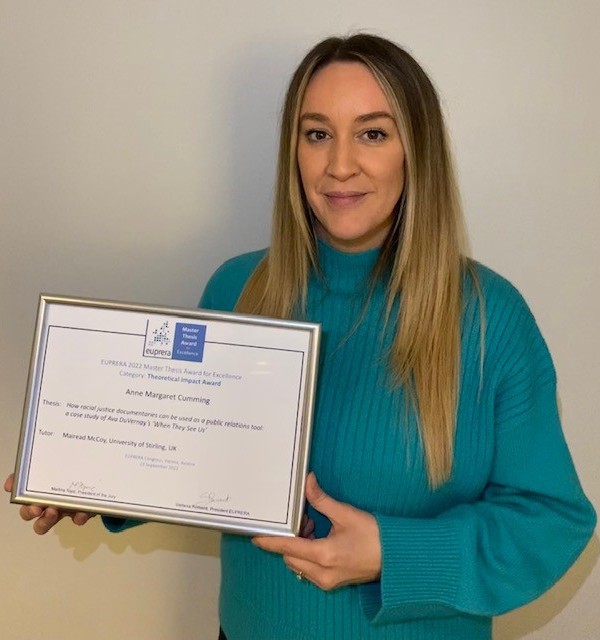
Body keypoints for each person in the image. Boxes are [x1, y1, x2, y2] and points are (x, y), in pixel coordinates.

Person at [5, 34, 596, 640]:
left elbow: (552, 522)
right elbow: (191, 454)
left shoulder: (490, 318)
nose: (340, 164)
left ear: (415, 151)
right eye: (317, 134)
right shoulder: (238, 287)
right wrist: (94, 480)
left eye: (373, 133)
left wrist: (392, 553)